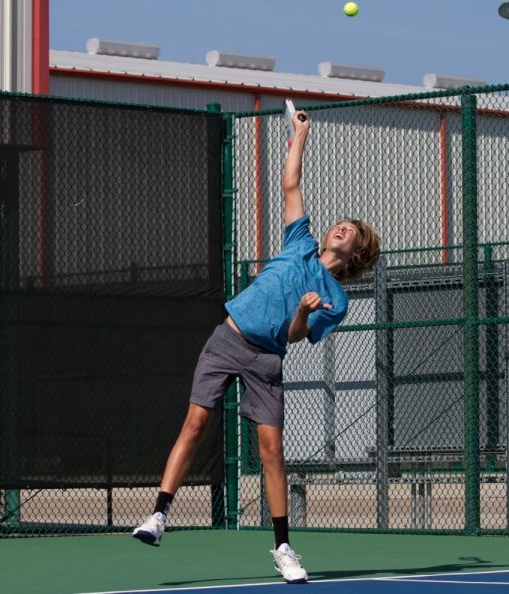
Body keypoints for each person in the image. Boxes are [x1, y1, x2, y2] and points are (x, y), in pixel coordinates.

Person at [131, 109, 381, 584]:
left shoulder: (336, 299)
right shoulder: (299, 241)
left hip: (267, 358)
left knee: (270, 451)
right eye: (340, 224)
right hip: (228, 336)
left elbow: (292, 336)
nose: (341, 227)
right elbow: (290, 184)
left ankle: (284, 547)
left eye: (351, 230)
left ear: (358, 253)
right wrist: (300, 134)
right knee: (196, 422)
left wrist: (305, 311)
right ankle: (159, 516)